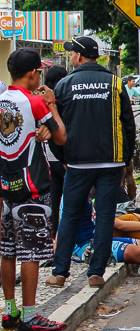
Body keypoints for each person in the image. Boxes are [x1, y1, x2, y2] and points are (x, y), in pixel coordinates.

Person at [46, 36, 136, 289]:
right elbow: (128, 125)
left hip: (77, 163)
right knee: (105, 216)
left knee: (70, 216)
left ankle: (60, 272)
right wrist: (125, 161)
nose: (71, 56)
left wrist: (63, 158)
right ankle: (96, 273)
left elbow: (56, 126)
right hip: (111, 162)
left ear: (79, 56)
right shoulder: (115, 83)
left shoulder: (64, 85)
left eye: (73, 52)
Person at [0, 49, 68, 331]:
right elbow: (61, 136)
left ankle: (10, 310)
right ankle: (30, 314)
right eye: (39, 71)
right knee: (30, 251)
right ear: (32, 74)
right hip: (32, 187)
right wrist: (51, 105)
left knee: (7, 250)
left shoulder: (1, 100)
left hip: (5, 186)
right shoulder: (35, 102)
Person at [42, 65, 68, 226]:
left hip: (48, 159)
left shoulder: (40, 101)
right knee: (71, 201)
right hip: (63, 158)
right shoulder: (61, 101)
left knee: (54, 199)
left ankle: (54, 235)